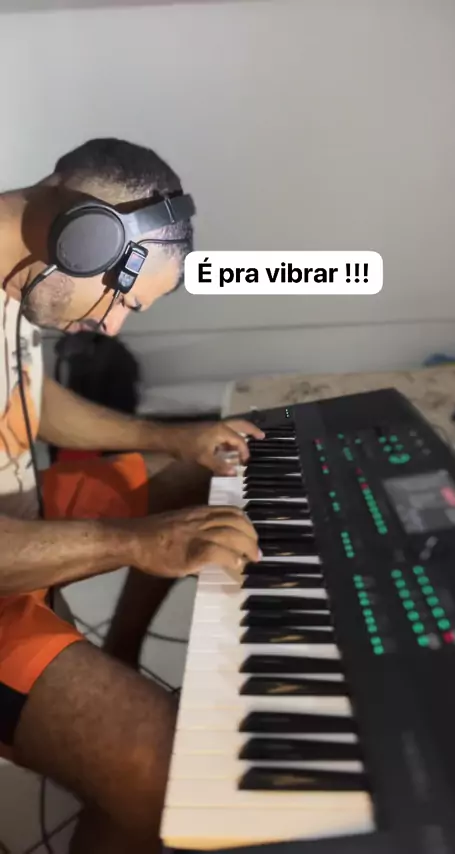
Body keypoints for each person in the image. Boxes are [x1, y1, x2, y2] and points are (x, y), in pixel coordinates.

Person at [0, 138, 263, 854]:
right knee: (169, 780)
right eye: (121, 297)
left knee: (202, 477)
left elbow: (32, 396)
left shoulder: (19, 277)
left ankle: (115, 654)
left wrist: (172, 437)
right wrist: (135, 541)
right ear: (83, 237)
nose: (112, 325)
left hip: (22, 518)